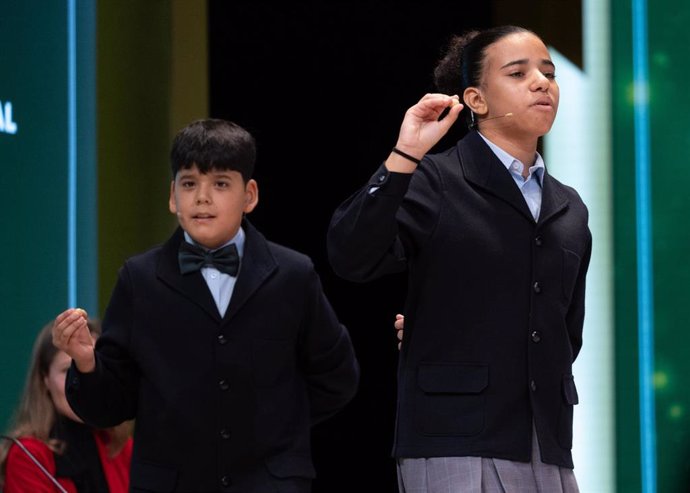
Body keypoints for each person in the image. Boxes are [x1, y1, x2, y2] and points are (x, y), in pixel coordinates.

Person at [327, 25, 591, 492]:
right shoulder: (436, 178)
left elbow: (566, 330)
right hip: (454, 435)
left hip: (547, 440)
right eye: (519, 72)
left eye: (549, 73)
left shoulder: (569, 207)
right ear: (476, 99)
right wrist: (405, 152)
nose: (542, 82)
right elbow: (352, 255)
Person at [52, 118, 359, 493]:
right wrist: (86, 361)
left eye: (220, 184)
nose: (202, 197)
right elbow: (112, 406)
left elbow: (337, 376)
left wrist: (278, 424)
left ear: (250, 195)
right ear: (172, 196)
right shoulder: (140, 279)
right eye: (189, 183)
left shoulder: (293, 276)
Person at [0, 318, 133, 493]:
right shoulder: (28, 456)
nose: (82, 383)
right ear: (44, 380)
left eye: (91, 367)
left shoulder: (121, 446)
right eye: (67, 371)